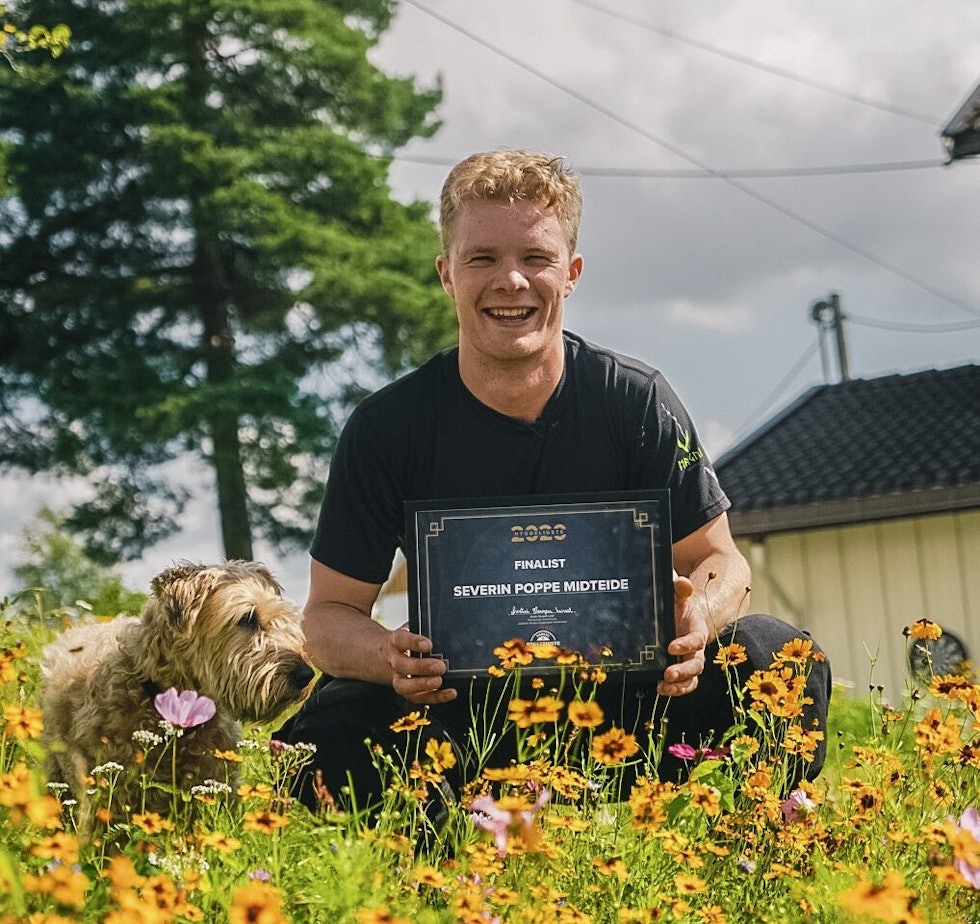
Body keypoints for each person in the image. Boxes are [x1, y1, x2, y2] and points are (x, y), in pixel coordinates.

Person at [275, 150, 831, 814]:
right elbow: (328, 619)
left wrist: (698, 624)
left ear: (570, 274)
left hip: (633, 721)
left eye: (535, 258)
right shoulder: (386, 428)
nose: (511, 280)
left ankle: (752, 853)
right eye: (482, 258)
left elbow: (721, 560)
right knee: (325, 730)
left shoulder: (636, 401)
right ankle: (444, 887)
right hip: (461, 722)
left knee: (777, 655)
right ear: (446, 274)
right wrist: (389, 657)